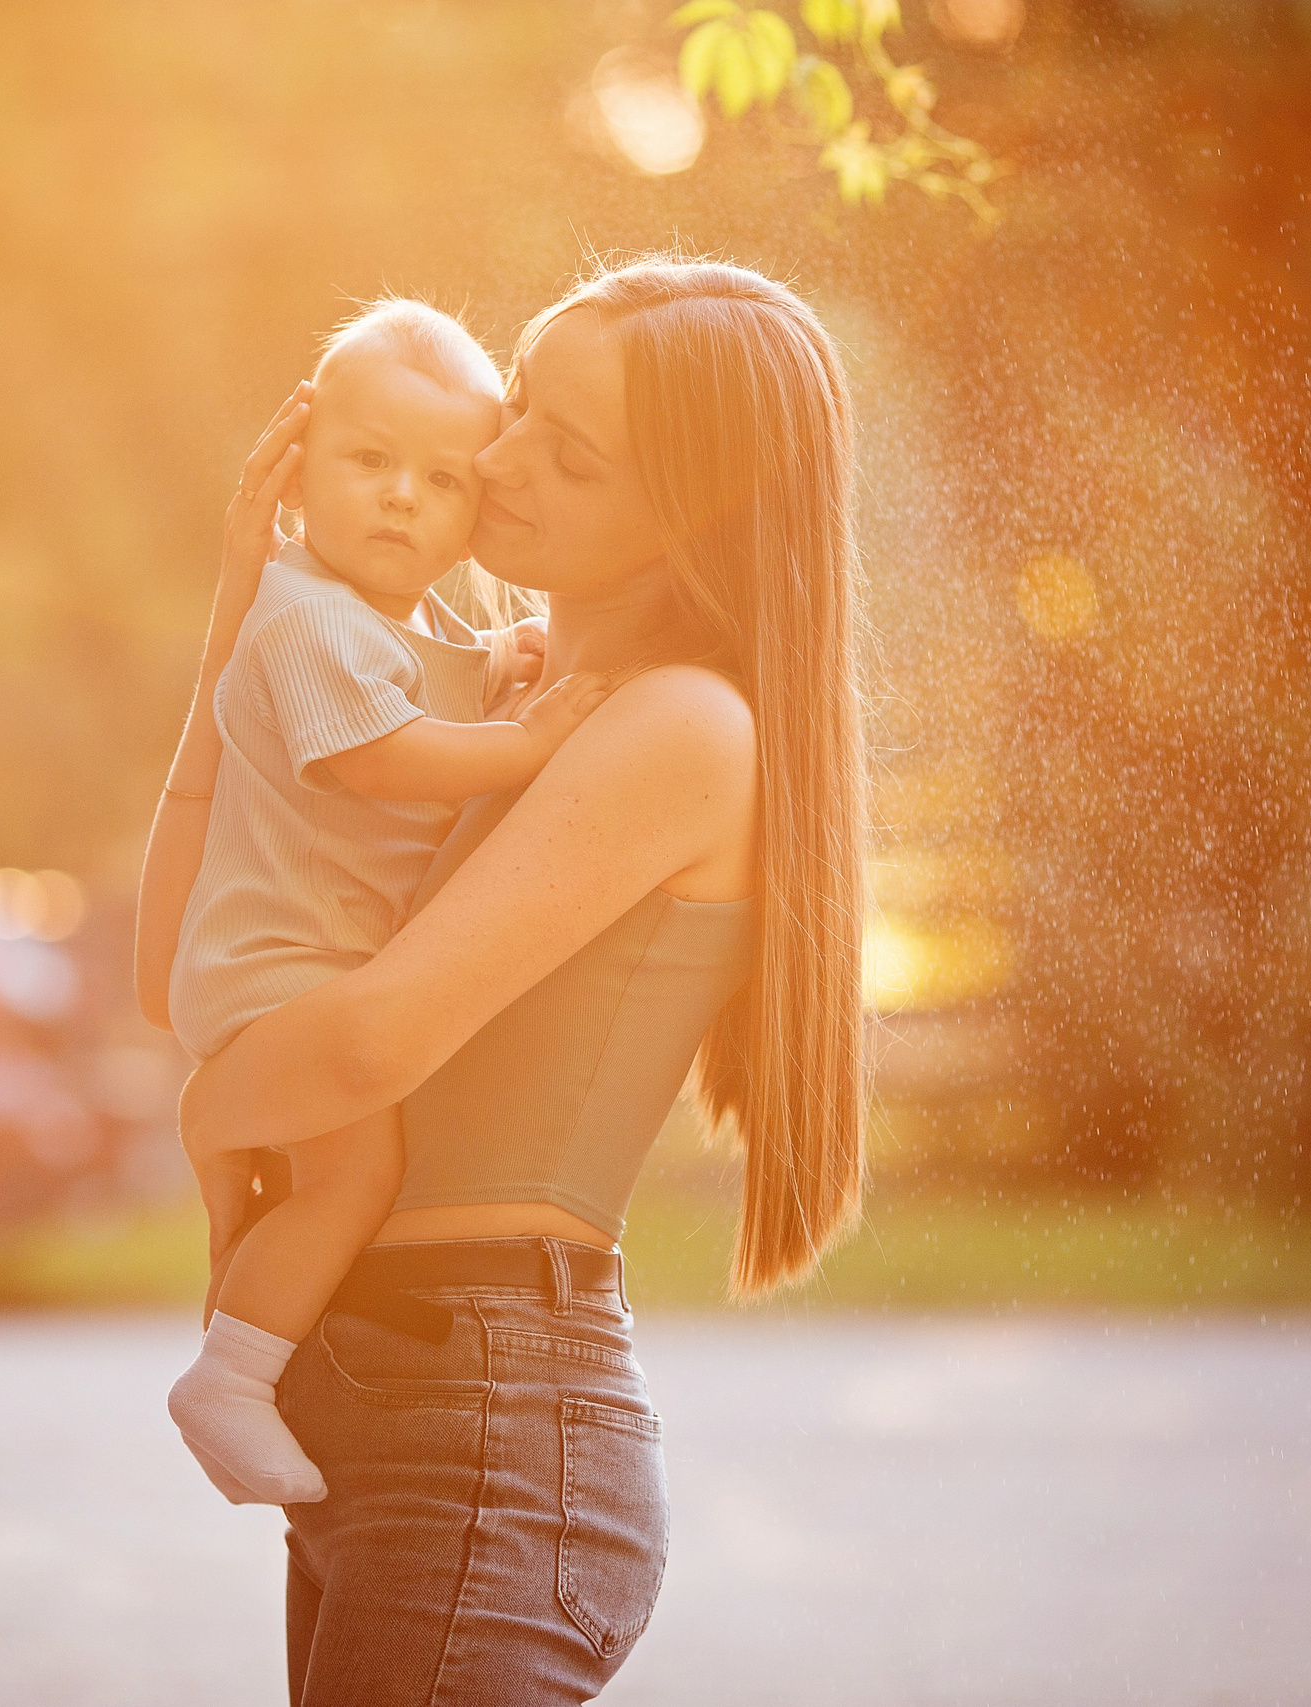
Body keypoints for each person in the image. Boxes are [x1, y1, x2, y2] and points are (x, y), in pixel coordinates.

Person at [136, 257, 867, 1705]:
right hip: (394, 1398)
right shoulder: (473, 700)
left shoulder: (677, 729)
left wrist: (213, 1112)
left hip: (482, 1411)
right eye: (521, 398)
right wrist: (248, 615)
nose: (499, 453)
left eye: (570, 455)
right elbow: (174, 963)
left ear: (694, 522)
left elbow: (358, 1051)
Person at [159, 298, 607, 1507]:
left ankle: (249, 1311)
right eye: (369, 463)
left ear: (474, 515)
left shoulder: (400, 621)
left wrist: (508, 676)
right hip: (279, 970)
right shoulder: (301, 617)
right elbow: (389, 756)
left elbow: (446, 687)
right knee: (356, 1172)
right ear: (296, 476)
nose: (404, 498)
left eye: (442, 480)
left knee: (330, 1180)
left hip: (317, 966)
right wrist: (522, 745)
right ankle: (227, 1378)